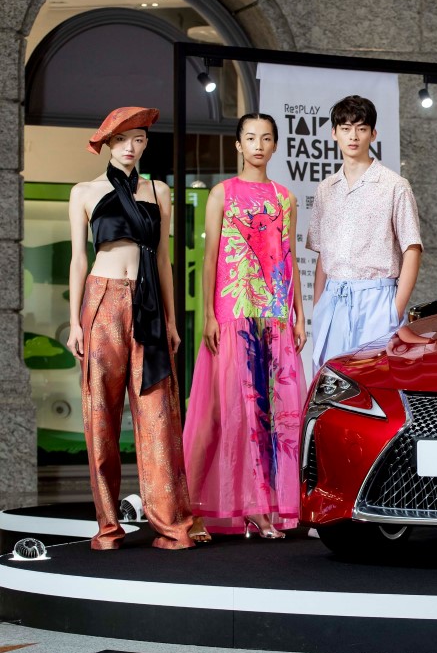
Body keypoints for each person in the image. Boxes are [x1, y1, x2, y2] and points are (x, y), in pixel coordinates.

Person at [65, 107, 195, 550]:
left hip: (149, 305)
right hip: (101, 302)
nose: (129, 147)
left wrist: (171, 320)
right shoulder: (84, 192)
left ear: (145, 144)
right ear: (107, 143)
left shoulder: (158, 191)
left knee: (158, 416)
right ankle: (108, 525)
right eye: (121, 139)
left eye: (138, 139)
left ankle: (170, 523)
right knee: (100, 414)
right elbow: (78, 259)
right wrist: (74, 321)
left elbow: (163, 259)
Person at [183, 113, 306, 539]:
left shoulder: (285, 198)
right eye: (250, 138)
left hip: (274, 312)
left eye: (266, 138)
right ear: (238, 145)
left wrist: (298, 313)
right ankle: (198, 506)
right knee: (229, 410)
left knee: (273, 411)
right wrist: (208, 315)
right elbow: (210, 259)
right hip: (233, 308)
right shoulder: (222, 193)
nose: (258, 145)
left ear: (275, 146)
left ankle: (264, 507)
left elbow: (288, 259)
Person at [307, 95, 422, 376]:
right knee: (330, 383)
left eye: (361, 128)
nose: (353, 136)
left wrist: (394, 311)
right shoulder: (325, 189)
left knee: (374, 380)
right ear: (334, 133)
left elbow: (412, 248)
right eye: (346, 128)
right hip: (333, 301)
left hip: (377, 300)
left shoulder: (394, 185)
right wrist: (318, 306)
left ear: (373, 134)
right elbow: (323, 252)